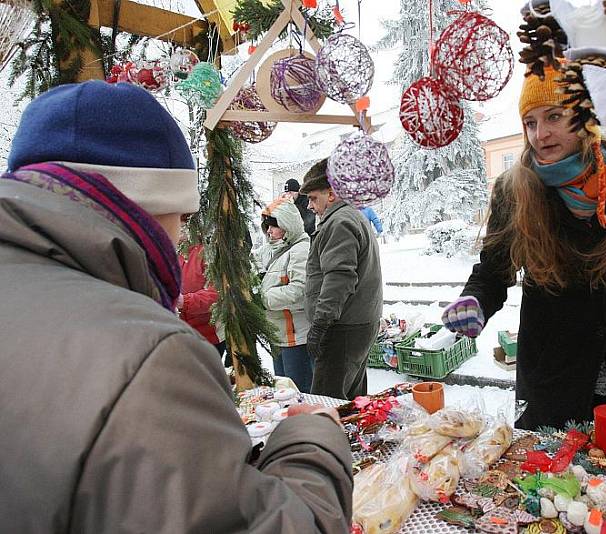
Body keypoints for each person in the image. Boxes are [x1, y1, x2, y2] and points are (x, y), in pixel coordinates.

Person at [0, 81, 352, 531]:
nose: (182, 235)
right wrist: (312, 440)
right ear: (145, 203)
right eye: (181, 217)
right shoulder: (146, 356)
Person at [441, 64, 606, 444]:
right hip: (555, 371)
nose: (541, 133)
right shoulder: (515, 190)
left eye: (554, 116)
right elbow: (494, 270)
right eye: (530, 123)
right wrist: (476, 300)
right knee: (556, 493)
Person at [300, 159, 383, 400]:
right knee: (350, 401)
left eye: (314, 198)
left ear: (332, 194)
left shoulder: (339, 222)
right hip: (354, 323)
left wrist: (321, 324)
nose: (310, 206)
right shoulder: (349, 217)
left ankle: (335, 439)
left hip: (343, 327)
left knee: (328, 404)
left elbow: (339, 279)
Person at [258, 197, 313, 393]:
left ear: (287, 225)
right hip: (277, 334)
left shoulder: (300, 250)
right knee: (283, 389)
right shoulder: (271, 250)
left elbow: (299, 290)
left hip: (295, 337)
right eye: (267, 227)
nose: (269, 232)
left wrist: (262, 298)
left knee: (299, 391)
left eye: (273, 226)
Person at [177, 226, 226, 360]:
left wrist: (185, 301)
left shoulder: (207, 252)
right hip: (181, 334)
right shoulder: (173, 252)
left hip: (208, 335)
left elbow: (217, 293)